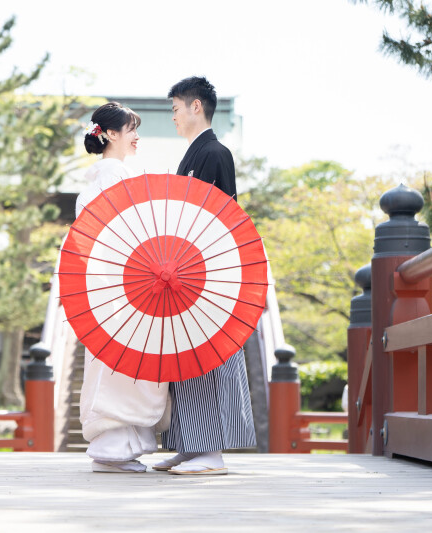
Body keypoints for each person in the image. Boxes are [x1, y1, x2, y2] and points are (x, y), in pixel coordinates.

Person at [155, 76, 256, 476]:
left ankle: (211, 451)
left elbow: (226, 219)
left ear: (197, 107)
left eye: (176, 109)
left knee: (207, 358)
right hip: (185, 272)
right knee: (184, 357)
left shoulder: (216, 152)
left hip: (208, 273)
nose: (174, 117)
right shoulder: (192, 156)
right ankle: (187, 443)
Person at [75, 102, 170, 473]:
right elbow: (129, 232)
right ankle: (114, 449)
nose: (137, 137)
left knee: (117, 362)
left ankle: (117, 447)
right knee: (127, 364)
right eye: (131, 129)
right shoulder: (115, 175)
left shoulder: (101, 178)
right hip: (123, 282)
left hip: (106, 284)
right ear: (110, 134)